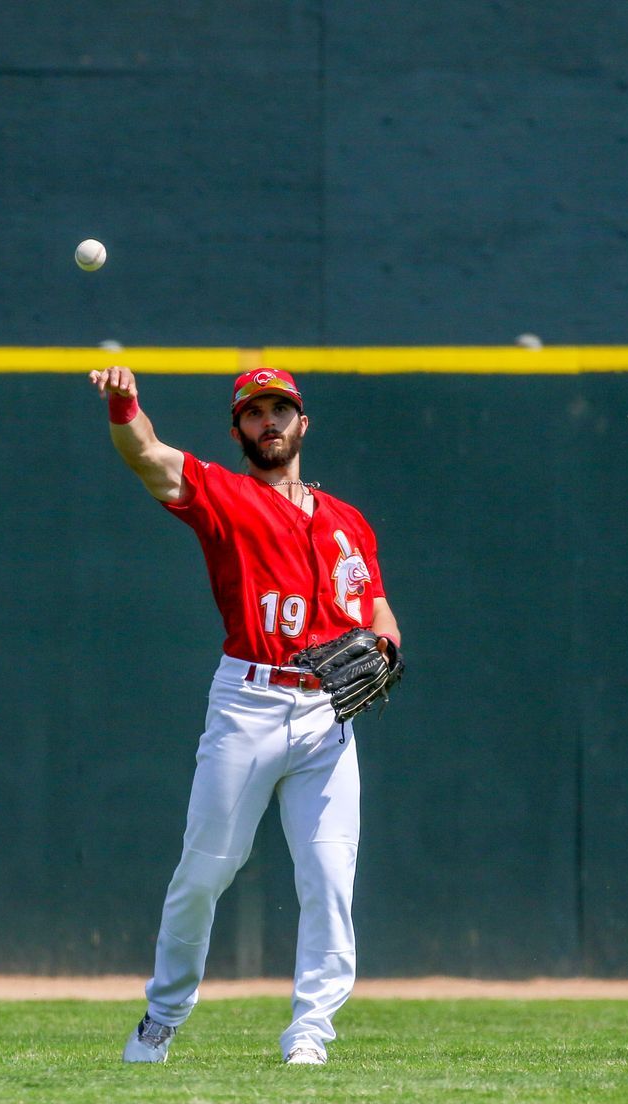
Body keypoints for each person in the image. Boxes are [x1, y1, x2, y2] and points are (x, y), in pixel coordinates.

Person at [90, 364, 402, 1066]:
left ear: (302, 423)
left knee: (328, 876)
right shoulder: (225, 496)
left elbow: (377, 609)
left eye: (281, 410)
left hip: (328, 714)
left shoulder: (348, 522)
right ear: (238, 430)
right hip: (249, 701)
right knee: (205, 872)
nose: (270, 422)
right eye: (255, 412)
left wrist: (385, 646)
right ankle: (163, 1015)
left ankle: (312, 1031)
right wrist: (125, 405)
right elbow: (147, 454)